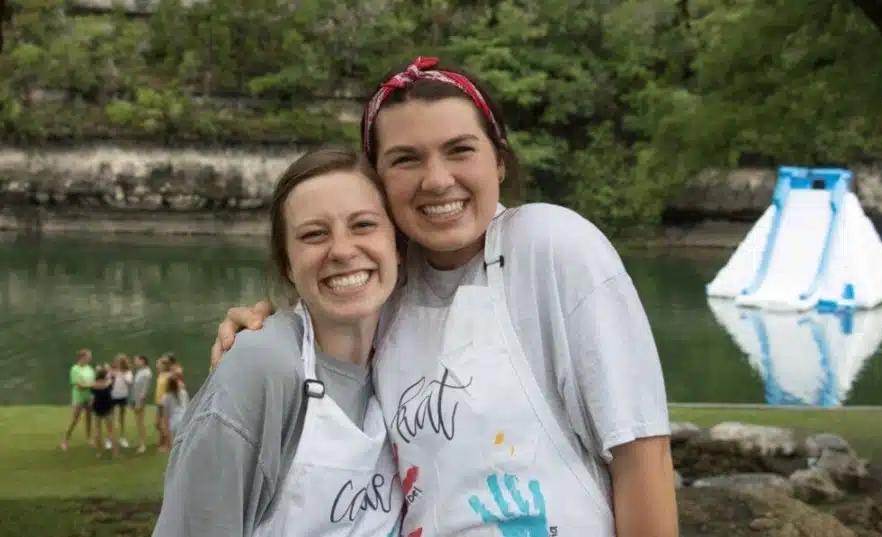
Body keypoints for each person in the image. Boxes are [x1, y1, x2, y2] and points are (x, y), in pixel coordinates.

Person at [210, 57, 679, 537]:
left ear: (498, 159)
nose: (436, 180)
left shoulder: (551, 246)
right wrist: (260, 334)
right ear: (378, 180)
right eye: (406, 159)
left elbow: (642, 453)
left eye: (460, 150)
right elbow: (310, 350)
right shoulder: (381, 284)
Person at [152, 146, 403, 537]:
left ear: (398, 243)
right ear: (287, 263)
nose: (342, 250)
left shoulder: (410, 357)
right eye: (314, 234)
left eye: (364, 225)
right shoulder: (262, 368)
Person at [61, 348, 95, 451]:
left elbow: (92, 382)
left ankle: (89, 439)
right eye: (88, 357)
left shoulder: (89, 369)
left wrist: (92, 394)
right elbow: (79, 385)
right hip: (79, 398)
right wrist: (92, 385)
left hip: (89, 397)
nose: (90, 359)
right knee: (75, 419)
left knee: (89, 418)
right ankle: (65, 441)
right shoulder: (75, 369)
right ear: (82, 357)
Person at [90, 366, 120, 458]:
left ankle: (98, 453)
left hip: (97, 409)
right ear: (105, 375)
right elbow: (112, 379)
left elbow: (92, 393)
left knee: (97, 431)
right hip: (107, 409)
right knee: (111, 431)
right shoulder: (108, 384)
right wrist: (110, 373)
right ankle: (115, 452)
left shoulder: (94, 385)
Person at [158, 376, 189, 451]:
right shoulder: (184, 393)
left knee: (175, 448)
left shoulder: (166, 397)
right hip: (185, 420)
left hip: (174, 423)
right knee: (184, 446)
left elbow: (165, 416)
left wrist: (166, 431)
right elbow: (188, 407)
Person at [110, 353, 133, 448]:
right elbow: (108, 382)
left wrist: (121, 375)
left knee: (122, 417)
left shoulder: (128, 372)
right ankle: (110, 438)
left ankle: (122, 437)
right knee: (110, 417)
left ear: (123, 363)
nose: (117, 363)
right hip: (112, 396)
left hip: (123, 396)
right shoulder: (113, 371)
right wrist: (112, 376)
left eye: (119, 362)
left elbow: (129, 383)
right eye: (116, 362)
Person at [131, 355, 153, 453]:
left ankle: (143, 444)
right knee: (138, 422)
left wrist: (139, 403)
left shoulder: (147, 373)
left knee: (140, 422)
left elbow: (144, 390)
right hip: (136, 400)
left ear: (143, 361)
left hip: (140, 401)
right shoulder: (140, 371)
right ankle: (140, 441)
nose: (135, 362)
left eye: (137, 360)